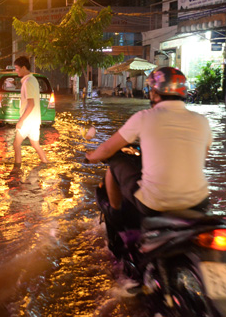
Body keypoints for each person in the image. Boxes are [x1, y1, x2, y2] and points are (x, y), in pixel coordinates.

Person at [86, 67, 212, 220]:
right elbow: (201, 159)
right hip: (199, 202)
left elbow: (107, 150)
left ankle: (115, 216)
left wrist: (91, 157)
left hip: (155, 203)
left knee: (115, 163)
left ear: (155, 93)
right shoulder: (202, 121)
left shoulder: (144, 117)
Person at [13, 56, 48, 165]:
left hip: (28, 120)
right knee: (35, 145)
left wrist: (21, 121)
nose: (16, 70)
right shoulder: (33, 80)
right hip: (34, 120)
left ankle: (17, 169)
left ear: (24, 67)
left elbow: (31, 104)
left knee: (16, 144)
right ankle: (45, 163)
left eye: (17, 68)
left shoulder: (28, 81)